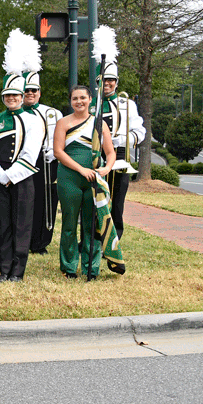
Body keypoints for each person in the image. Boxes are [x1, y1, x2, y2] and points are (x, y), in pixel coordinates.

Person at [0, 73, 45, 283]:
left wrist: (11, 175)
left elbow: (31, 152)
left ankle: (17, 272)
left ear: (21, 97)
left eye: (15, 95)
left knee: (22, 225)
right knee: (3, 225)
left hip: (22, 178)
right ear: (3, 97)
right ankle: (4, 269)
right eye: (7, 95)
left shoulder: (33, 120)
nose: (11, 98)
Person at [55, 86, 115, 280]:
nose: (79, 101)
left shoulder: (99, 123)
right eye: (74, 98)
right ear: (70, 101)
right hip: (69, 178)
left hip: (95, 180)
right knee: (69, 224)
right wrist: (81, 170)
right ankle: (69, 267)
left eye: (82, 97)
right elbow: (58, 152)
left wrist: (106, 169)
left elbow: (111, 152)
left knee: (92, 224)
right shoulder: (63, 122)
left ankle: (92, 267)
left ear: (90, 99)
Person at [98, 64, 145, 238]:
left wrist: (122, 139)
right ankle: (92, 241)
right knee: (94, 200)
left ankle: (113, 242)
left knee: (116, 202)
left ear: (117, 82)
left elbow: (140, 133)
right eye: (104, 80)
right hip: (96, 156)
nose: (108, 83)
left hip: (119, 155)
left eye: (111, 80)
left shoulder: (127, 104)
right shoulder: (90, 102)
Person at [23, 72, 60, 254]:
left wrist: (53, 152)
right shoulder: (16, 111)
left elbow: (59, 138)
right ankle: (23, 240)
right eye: (26, 90)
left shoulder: (51, 113)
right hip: (23, 161)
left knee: (46, 202)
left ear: (39, 92)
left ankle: (41, 242)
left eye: (33, 90)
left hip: (47, 161)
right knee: (24, 201)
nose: (30, 93)